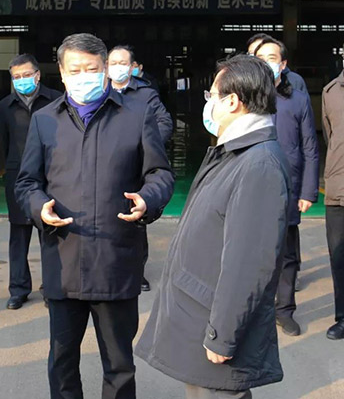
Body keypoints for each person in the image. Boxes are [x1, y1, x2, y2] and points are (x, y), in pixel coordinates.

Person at [15, 33, 174, 399]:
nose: (83, 76)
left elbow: (160, 174)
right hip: (63, 260)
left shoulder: (136, 116)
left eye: (91, 69)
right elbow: (26, 182)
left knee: (119, 365)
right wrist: (39, 205)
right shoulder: (44, 120)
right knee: (62, 361)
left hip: (115, 260)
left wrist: (148, 199)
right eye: (75, 70)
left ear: (105, 70)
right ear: (61, 72)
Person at [136, 55, 291, 398]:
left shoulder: (258, 164)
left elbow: (249, 264)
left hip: (214, 322)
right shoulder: (234, 152)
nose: (209, 104)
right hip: (199, 311)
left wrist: (223, 334)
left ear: (232, 101)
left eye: (212, 96)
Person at [254, 37, 319, 336]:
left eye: (272, 58)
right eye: (261, 58)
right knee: (253, 251)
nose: (267, 63)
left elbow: (310, 146)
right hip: (254, 185)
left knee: (288, 254)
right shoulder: (245, 98)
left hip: (288, 185)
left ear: (283, 64)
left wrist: (308, 191)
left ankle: (285, 310)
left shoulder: (298, 100)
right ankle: (255, 310)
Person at [0, 53, 62, 310]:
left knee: (50, 234)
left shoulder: (56, 100)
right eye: (16, 77)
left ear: (37, 75)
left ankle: (51, 287)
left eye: (26, 75)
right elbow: (3, 143)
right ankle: (18, 289)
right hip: (18, 178)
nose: (22, 80)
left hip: (50, 175)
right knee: (19, 235)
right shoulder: (4, 106)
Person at [108, 44, 173, 292]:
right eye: (113, 63)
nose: (118, 67)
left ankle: (137, 272)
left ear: (133, 67)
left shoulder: (145, 94)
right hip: (106, 163)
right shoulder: (99, 93)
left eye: (123, 63)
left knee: (135, 218)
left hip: (134, 166)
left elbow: (164, 122)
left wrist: (146, 145)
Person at [322, 45, 344, 340]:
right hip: (338, 188)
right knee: (339, 257)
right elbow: (330, 137)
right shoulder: (331, 92)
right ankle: (342, 317)